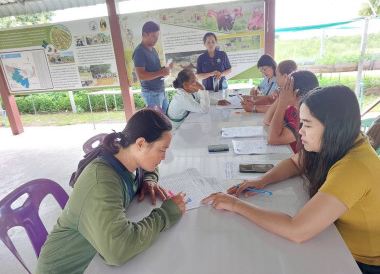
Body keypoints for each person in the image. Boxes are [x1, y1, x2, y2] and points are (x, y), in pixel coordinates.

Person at [202, 85, 380, 274]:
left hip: (361, 262)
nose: (300, 131)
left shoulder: (354, 167)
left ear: (334, 126)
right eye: (301, 123)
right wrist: (263, 179)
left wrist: (235, 204)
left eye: (307, 124)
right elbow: (296, 163)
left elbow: (297, 230)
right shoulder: (341, 142)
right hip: (335, 239)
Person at [36, 109, 187, 274]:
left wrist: (149, 180)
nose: (163, 157)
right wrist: (166, 214)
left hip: (96, 258)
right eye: (162, 150)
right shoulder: (101, 182)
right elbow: (117, 251)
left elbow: (149, 168)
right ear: (141, 144)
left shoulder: (126, 155)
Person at [264, 70, 319, 153]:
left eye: (285, 88)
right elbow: (268, 121)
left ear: (295, 92)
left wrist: (282, 103)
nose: (282, 90)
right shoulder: (293, 108)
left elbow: (273, 139)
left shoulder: (306, 115)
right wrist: (280, 99)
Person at [133, 21, 173, 112]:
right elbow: (141, 75)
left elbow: (156, 70)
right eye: (153, 36)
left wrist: (166, 69)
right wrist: (162, 72)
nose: (156, 38)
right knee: (157, 123)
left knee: (165, 119)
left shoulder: (153, 49)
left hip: (161, 90)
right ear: (144, 35)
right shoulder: (139, 51)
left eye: (157, 35)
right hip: (151, 93)